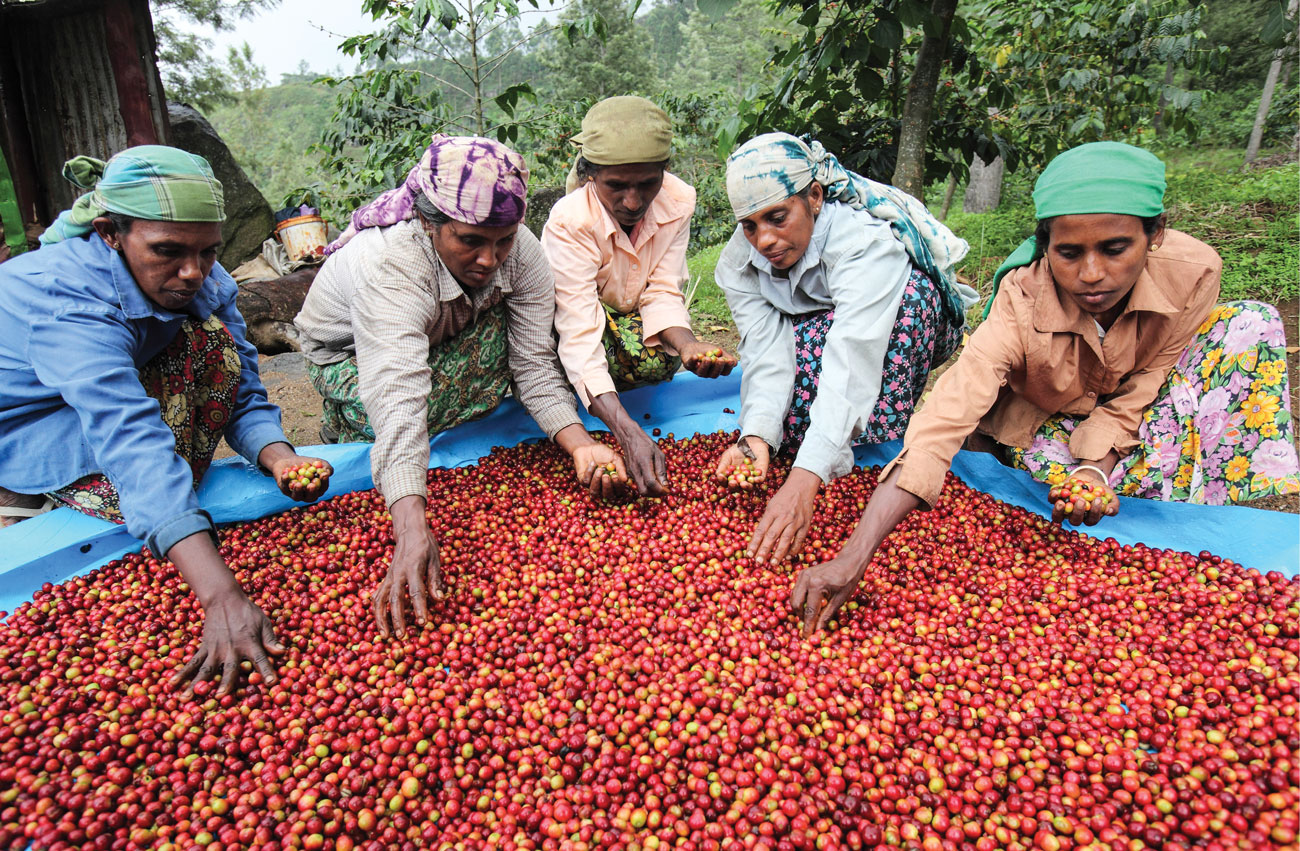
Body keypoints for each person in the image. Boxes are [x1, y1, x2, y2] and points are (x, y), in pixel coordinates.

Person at [789, 141, 1300, 635]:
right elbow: (949, 412)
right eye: (1069, 253)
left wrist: (1094, 470)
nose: (1092, 274)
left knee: (1248, 323)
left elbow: (1147, 384)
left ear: (1156, 234)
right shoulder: (1022, 297)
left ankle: (1204, 535)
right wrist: (855, 554)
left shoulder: (1193, 273)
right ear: (1044, 245)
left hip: (1137, 413)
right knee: (1042, 494)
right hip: (1045, 417)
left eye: (1116, 248)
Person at [0, 146, 334, 696]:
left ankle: (171, 505)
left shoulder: (204, 276)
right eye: (167, 252)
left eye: (208, 252)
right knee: (146, 480)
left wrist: (280, 456)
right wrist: (221, 595)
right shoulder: (69, 303)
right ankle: (28, 487)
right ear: (110, 232)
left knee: (212, 343)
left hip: (123, 394)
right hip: (36, 422)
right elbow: (132, 440)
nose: (192, 272)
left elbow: (242, 384)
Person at [294, 134, 625, 638]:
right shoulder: (393, 264)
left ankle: (376, 435)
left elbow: (533, 364)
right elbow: (398, 390)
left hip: (448, 328)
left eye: (503, 240)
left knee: (534, 348)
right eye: (469, 240)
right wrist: (410, 525)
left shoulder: (523, 252)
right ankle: (352, 422)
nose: (490, 259)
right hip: (351, 354)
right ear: (428, 223)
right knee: (402, 413)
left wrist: (581, 444)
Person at [712, 132, 978, 564]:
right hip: (822, 325)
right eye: (750, 225)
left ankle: (878, 439)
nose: (764, 240)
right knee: (796, 415)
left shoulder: (863, 242)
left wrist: (805, 479)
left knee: (908, 305)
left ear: (814, 197)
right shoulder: (739, 263)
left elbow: (854, 352)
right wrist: (757, 434)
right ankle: (827, 441)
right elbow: (765, 350)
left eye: (777, 217)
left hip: (901, 323)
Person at [542, 96, 737, 495]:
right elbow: (578, 330)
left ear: (664, 172)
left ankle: (610, 397)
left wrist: (688, 346)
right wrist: (628, 432)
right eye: (616, 185)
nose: (633, 202)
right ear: (591, 175)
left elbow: (662, 289)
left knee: (654, 364)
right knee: (574, 359)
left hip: (628, 324)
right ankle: (583, 401)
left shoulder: (678, 201)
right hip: (575, 325)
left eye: (648, 183)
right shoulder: (570, 222)